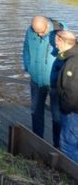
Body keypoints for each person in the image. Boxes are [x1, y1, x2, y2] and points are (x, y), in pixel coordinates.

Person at [22, 15, 65, 147]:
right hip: (36, 79)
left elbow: (69, 54)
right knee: (35, 111)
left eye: (41, 31)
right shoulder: (31, 31)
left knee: (57, 116)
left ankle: (57, 145)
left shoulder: (61, 31)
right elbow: (26, 48)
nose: (39, 34)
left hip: (55, 82)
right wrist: (28, 66)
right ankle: (37, 141)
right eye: (36, 31)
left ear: (47, 25)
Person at [56, 30, 78, 162]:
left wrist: (65, 109)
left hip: (73, 112)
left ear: (61, 41)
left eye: (56, 42)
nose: (56, 45)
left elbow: (72, 92)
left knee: (68, 146)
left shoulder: (72, 63)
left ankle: (71, 176)